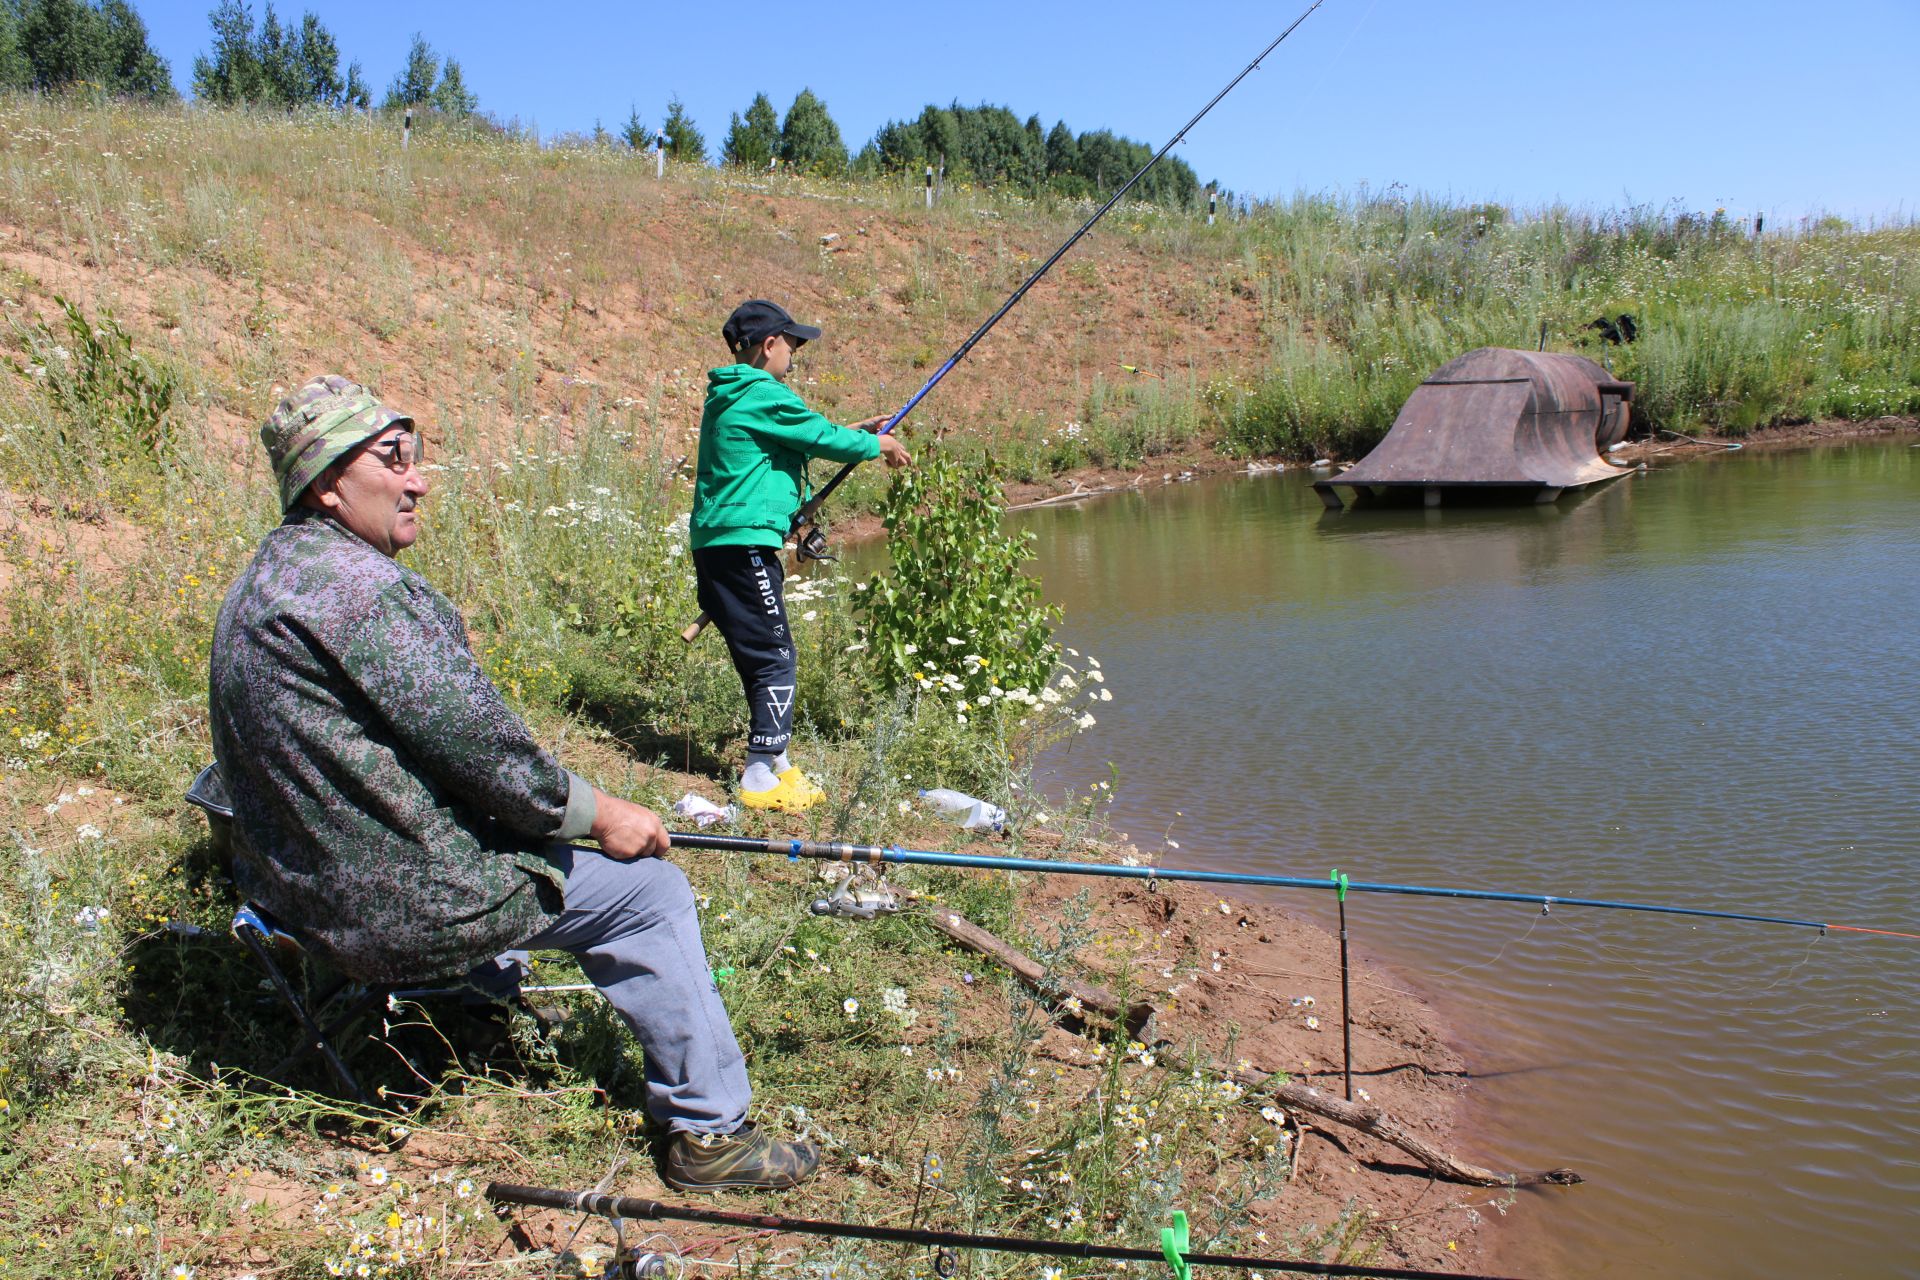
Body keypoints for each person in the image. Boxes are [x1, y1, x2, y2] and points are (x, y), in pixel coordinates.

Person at [208, 374, 816, 1192]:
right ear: (325, 485)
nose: (417, 478)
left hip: (294, 904)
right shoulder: (366, 594)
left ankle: (465, 1006)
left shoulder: (264, 579)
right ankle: (707, 1135)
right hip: (387, 914)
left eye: (414, 455)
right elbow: (497, 765)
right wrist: (604, 815)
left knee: (483, 835)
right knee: (654, 896)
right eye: (392, 459)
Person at [691, 300, 911, 812]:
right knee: (776, 657)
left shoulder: (730, 395)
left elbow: (795, 441)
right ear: (770, 345)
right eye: (793, 344)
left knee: (759, 658)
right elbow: (817, 435)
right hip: (742, 546)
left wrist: (856, 434)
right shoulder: (764, 391)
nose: (795, 354)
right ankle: (759, 774)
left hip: (721, 546)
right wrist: (875, 445)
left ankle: (778, 761)